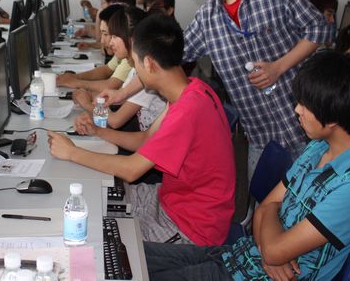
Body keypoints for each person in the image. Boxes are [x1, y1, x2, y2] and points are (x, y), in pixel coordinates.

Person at [102, 0, 332, 180]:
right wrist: (122, 93)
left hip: (310, 129)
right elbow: (163, 58)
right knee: (265, 202)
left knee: (313, 200)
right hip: (261, 136)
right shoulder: (208, 18)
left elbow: (320, 28)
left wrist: (279, 67)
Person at [143, 51, 350, 281]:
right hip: (241, 256)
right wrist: (269, 248)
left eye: (305, 105)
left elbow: (272, 234)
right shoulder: (319, 147)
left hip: (250, 273)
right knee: (136, 256)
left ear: (332, 118)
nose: (297, 110)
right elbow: (264, 211)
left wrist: (271, 240)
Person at [49, 15, 235, 246]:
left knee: (97, 239)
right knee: (91, 199)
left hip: (190, 226)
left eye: (135, 63)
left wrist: (72, 152)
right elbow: (146, 140)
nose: (135, 71)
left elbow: (131, 170)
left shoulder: (188, 111)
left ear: (148, 64)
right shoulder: (191, 90)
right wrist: (99, 132)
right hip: (169, 199)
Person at [73, 7, 166, 132]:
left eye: (115, 36)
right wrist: (94, 100)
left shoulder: (147, 73)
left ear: (131, 39)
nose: (110, 42)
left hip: (139, 138)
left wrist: (87, 104)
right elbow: (119, 100)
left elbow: (115, 121)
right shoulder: (135, 70)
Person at [57, 5, 132, 93]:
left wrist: (75, 82)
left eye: (105, 34)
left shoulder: (129, 57)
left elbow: (110, 86)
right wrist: (75, 77)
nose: (102, 41)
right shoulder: (122, 52)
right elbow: (106, 70)